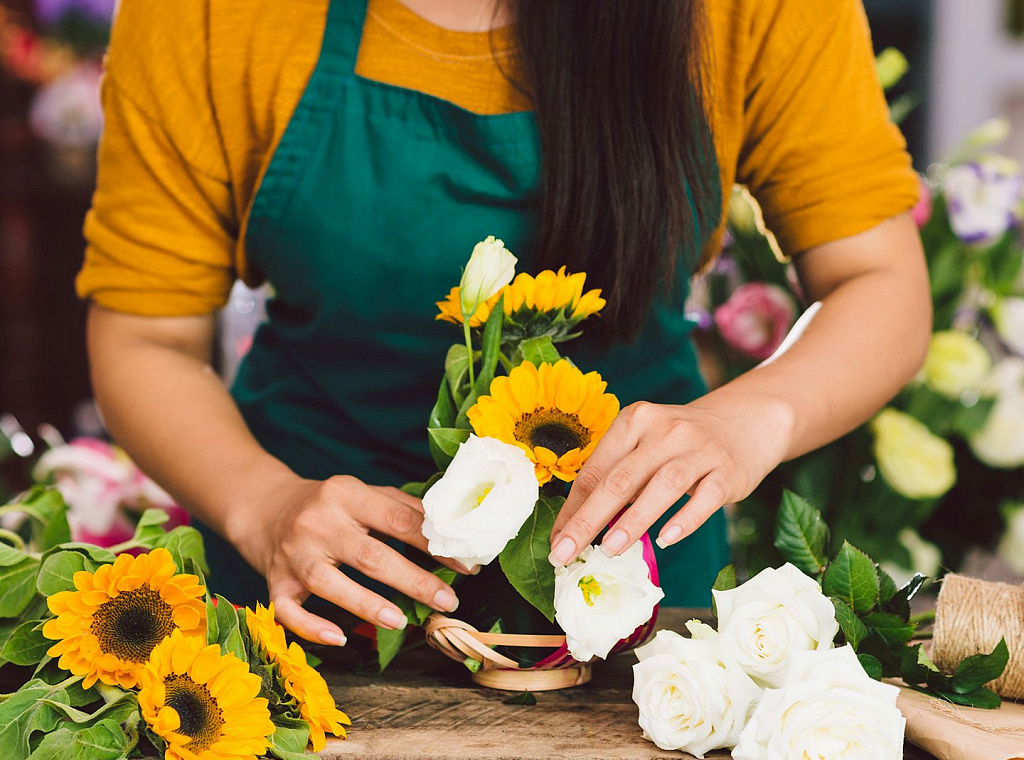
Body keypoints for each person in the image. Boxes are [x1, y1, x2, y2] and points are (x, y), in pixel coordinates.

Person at [78, 0, 931, 647]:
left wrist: (749, 420)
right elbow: (147, 338)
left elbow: (879, 280)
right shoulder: (207, 15)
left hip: (632, 596)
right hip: (312, 591)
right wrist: (262, 505)